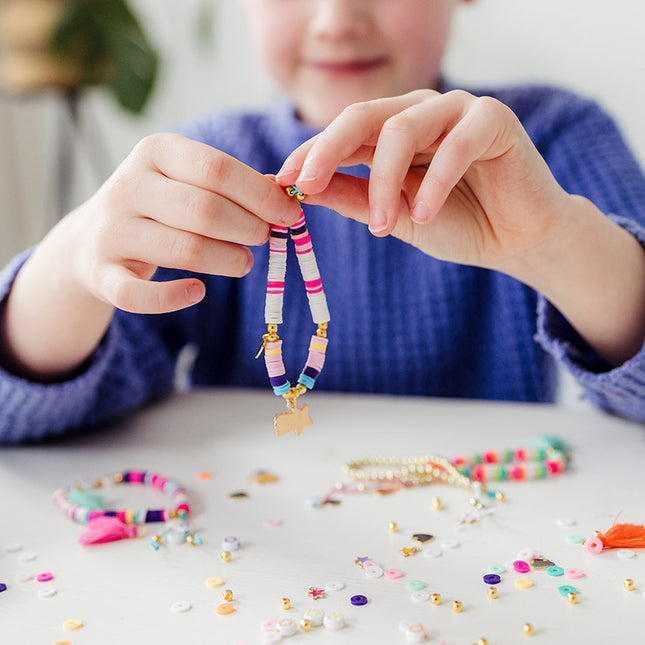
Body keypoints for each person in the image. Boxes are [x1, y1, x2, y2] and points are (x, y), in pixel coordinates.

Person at [1, 0, 645, 444]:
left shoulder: (553, 143)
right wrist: (67, 266)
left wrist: (550, 244)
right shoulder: (205, 175)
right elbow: (28, 417)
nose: (337, 20)